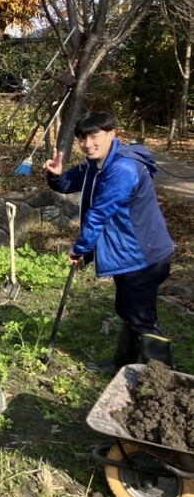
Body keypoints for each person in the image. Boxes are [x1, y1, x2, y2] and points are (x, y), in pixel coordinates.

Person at [44, 111, 174, 374]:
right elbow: (68, 183)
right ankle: (123, 366)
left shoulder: (123, 169)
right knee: (128, 309)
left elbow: (99, 213)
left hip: (142, 255)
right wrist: (57, 175)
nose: (87, 144)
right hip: (127, 252)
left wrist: (80, 248)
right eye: (82, 138)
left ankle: (162, 381)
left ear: (111, 134)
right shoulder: (97, 163)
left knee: (142, 317)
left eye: (94, 136)